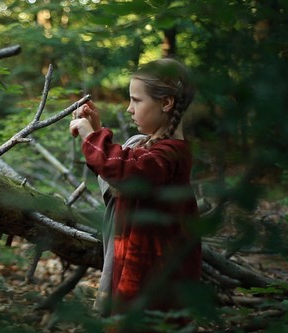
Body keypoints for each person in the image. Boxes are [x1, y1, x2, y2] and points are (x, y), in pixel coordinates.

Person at [69, 58, 202, 322]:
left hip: (157, 269)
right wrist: (96, 129)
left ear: (166, 103)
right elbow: (118, 173)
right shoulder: (152, 149)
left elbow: (129, 172)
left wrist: (90, 136)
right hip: (139, 258)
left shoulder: (170, 154)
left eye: (136, 100)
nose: (129, 109)